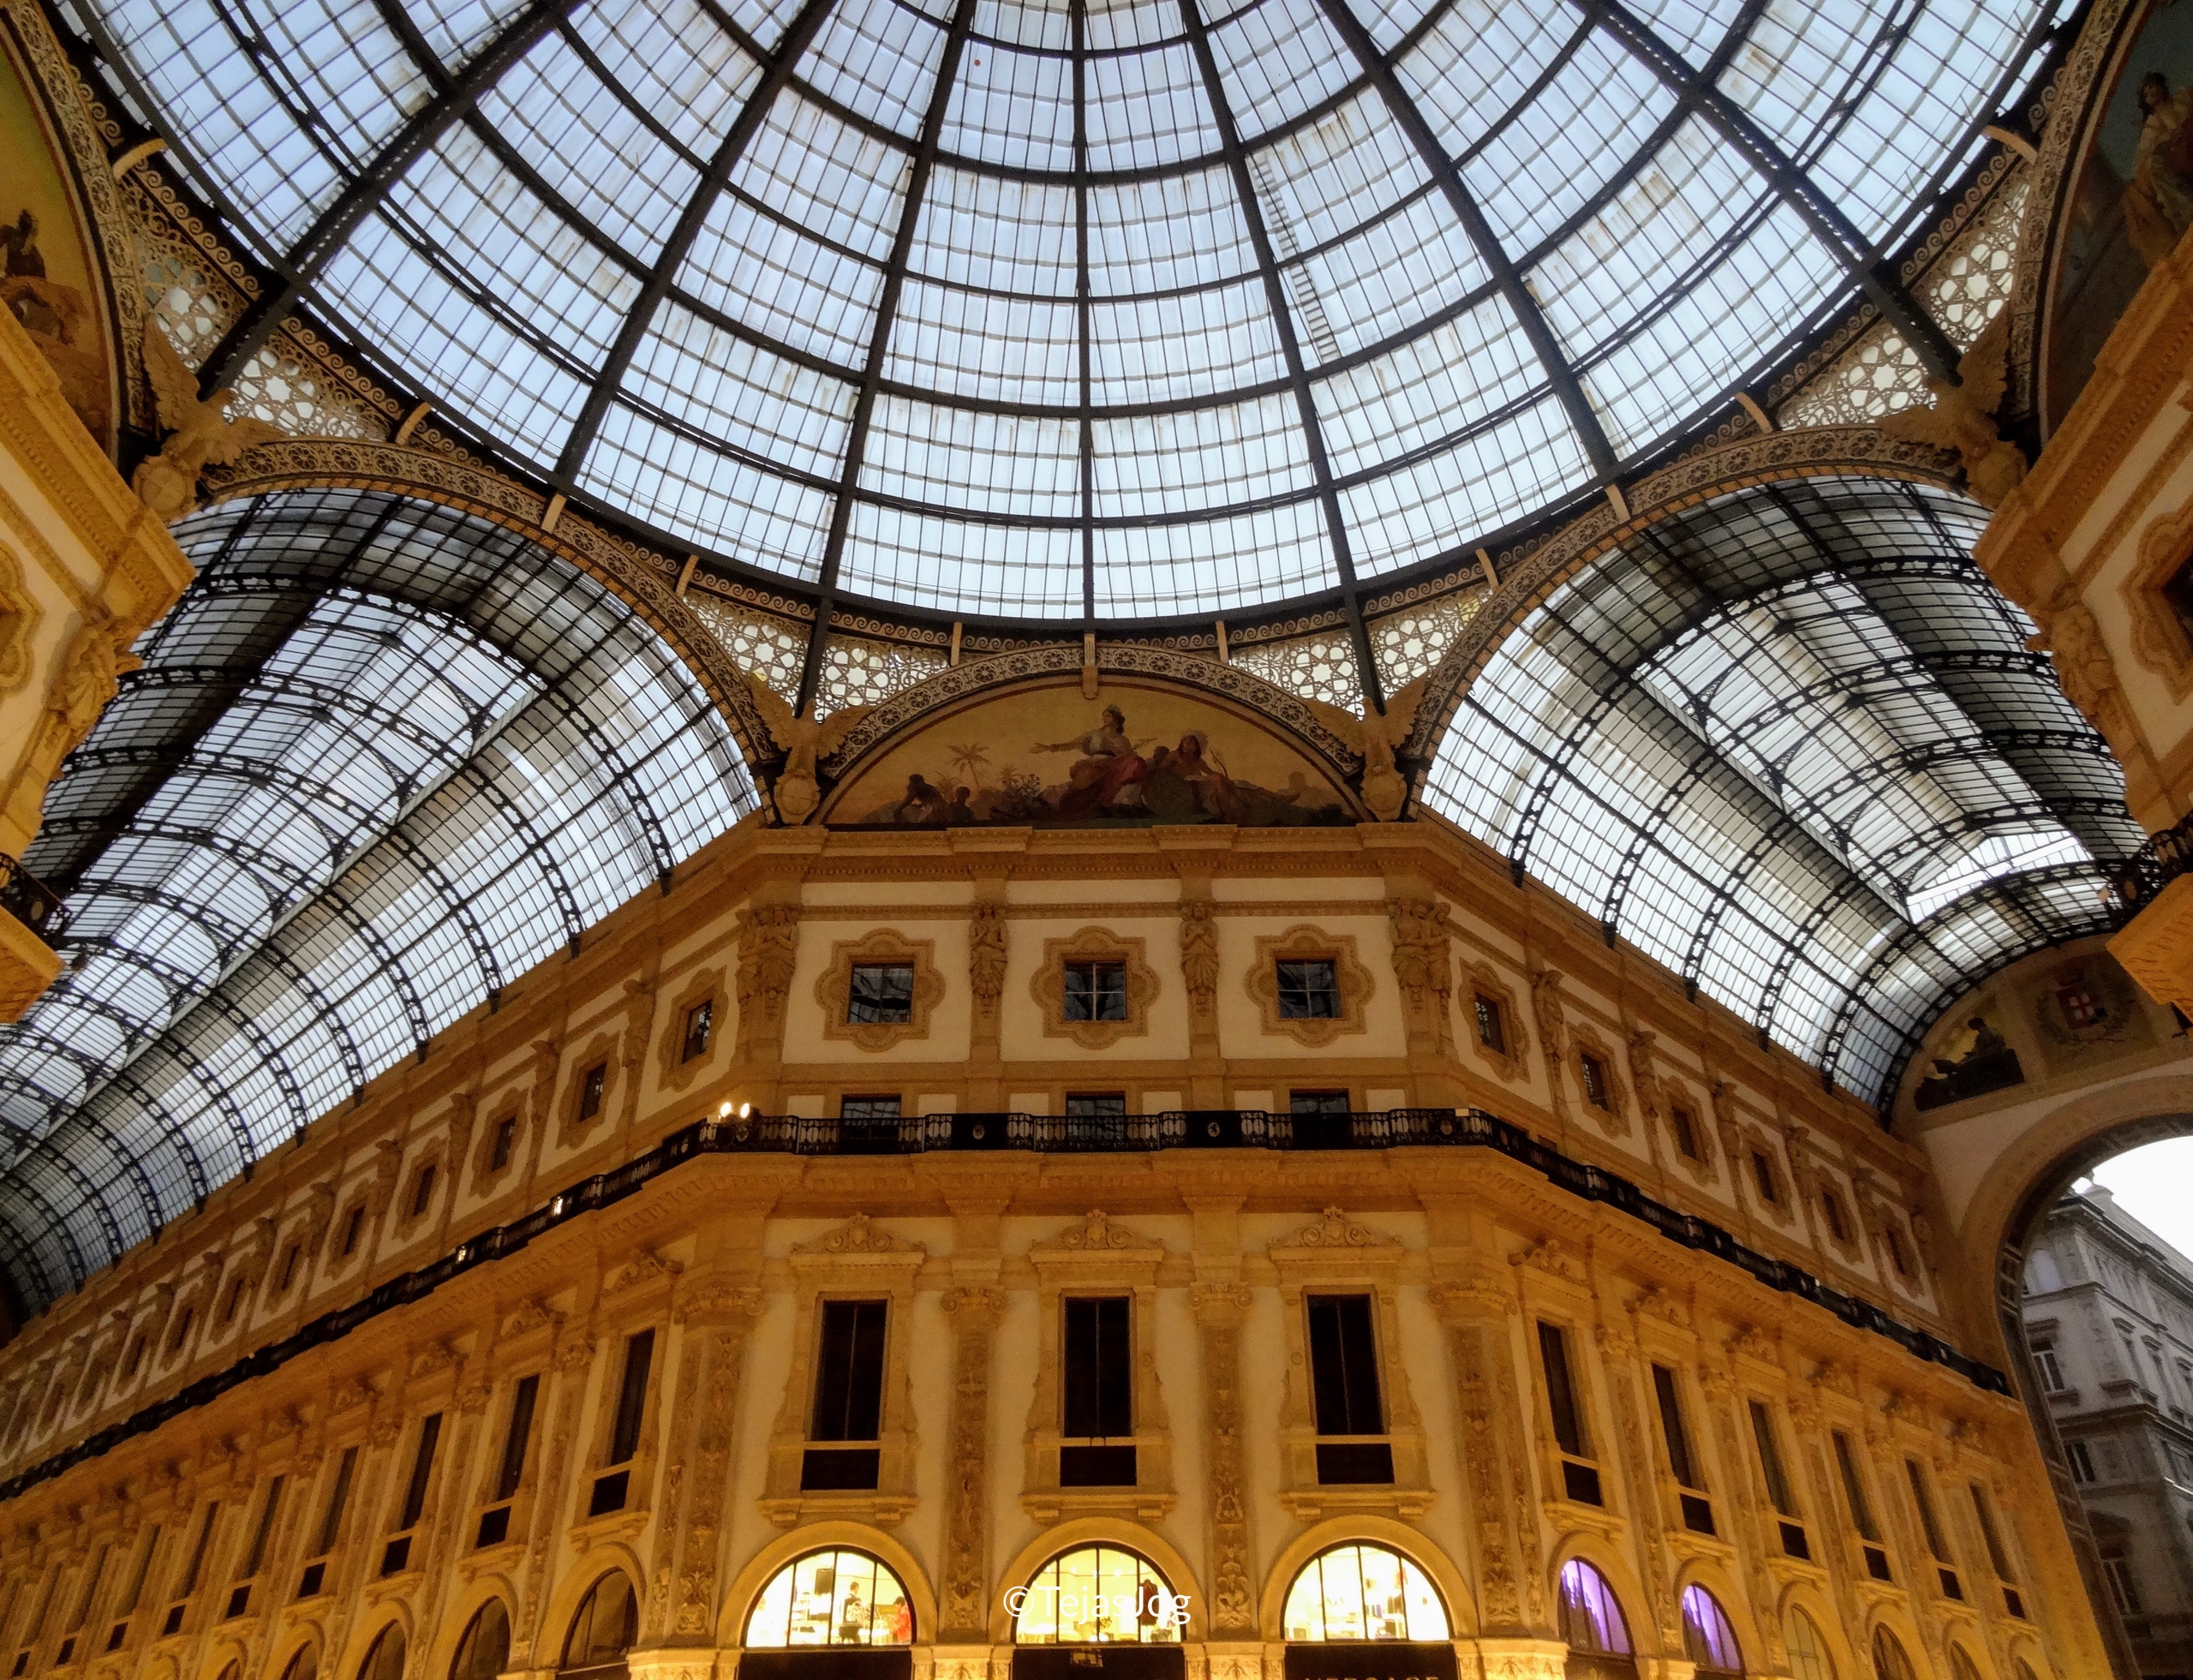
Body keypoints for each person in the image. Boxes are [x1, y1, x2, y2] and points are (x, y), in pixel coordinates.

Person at [2126, 70, 2193, 267]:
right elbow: (2142, 161)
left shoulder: (2183, 98)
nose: (2152, 92)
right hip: (2182, 158)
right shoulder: (2151, 127)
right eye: (2147, 92)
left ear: (2161, 86)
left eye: (2153, 86)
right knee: (2156, 168)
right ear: (2145, 100)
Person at [1033, 705, 1151, 816]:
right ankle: (1051, 799)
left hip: (1115, 766)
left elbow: (1129, 756)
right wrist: (1048, 748)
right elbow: (1072, 744)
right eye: (1103, 716)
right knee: (1079, 789)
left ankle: (1121, 802)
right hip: (1097, 764)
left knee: (1135, 763)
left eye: (1108, 715)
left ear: (1116, 718)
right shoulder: (1094, 734)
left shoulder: (1123, 740)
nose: (1104, 718)